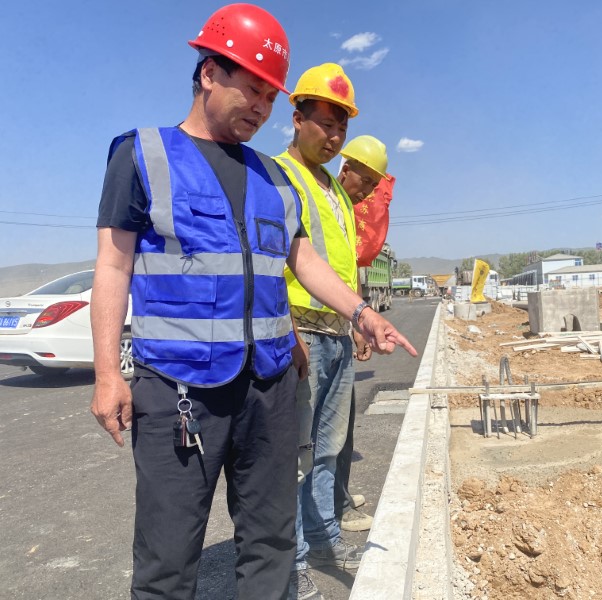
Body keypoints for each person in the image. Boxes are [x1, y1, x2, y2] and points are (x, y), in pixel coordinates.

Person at [89, 7, 417, 600]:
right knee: (167, 558)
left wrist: (362, 313)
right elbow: (112, 266)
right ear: (208, 72)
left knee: (270, 544)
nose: (262, 108)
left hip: (267, 386)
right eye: (252, 89)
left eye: (270, 96)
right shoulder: (143, 155)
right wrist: (108, 374)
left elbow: (304, 260)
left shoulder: (274, 177)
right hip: (178, 388)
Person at [274, 63, 377, 598]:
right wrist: (286, 328)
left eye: (341, 128)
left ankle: (324, 539)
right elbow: (269, 260)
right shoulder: (277, 175)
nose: (334, 137)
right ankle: (290, 561)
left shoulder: (335, 188)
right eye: (325, 124)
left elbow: (340, 264)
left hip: (336, 334)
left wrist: (355, 320)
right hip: (301, 335)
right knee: (295, 454)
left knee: (328, 449)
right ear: (297, 119)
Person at [333, 135, 393, 533]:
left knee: (342, 426)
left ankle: (337, 494)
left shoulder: (347, 209)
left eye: (374, 185)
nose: (369, 191)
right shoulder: (328, 202)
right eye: (365, 181)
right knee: (324, 435)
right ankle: (332, 507)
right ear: (346, 169)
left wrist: (357, 328)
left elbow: (348, 272)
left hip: (339, 327)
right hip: (315, 329)